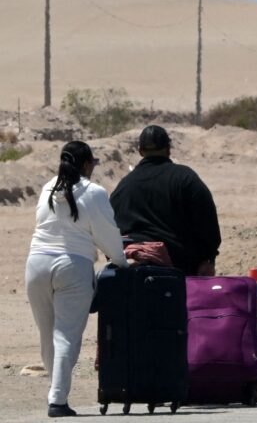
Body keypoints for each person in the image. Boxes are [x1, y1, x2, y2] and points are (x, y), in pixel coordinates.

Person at [26, 141, 130, 418]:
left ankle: (55, 390)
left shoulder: (48, 187)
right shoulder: (94, 192)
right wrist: (121, 262)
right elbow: (107, 234)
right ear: (86, 164)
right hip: (72, 266)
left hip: (35, 265)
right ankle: (57, 400)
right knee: (66, 336)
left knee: (47, 334)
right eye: (93, 163)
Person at [110, 125, 221, 276]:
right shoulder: (185, 178)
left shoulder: (123, 186)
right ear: (168, 149)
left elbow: (111, 230)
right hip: (180, 273)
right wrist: (208, 258)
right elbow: (208, 223)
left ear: (140, 151)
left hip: (132, 275)